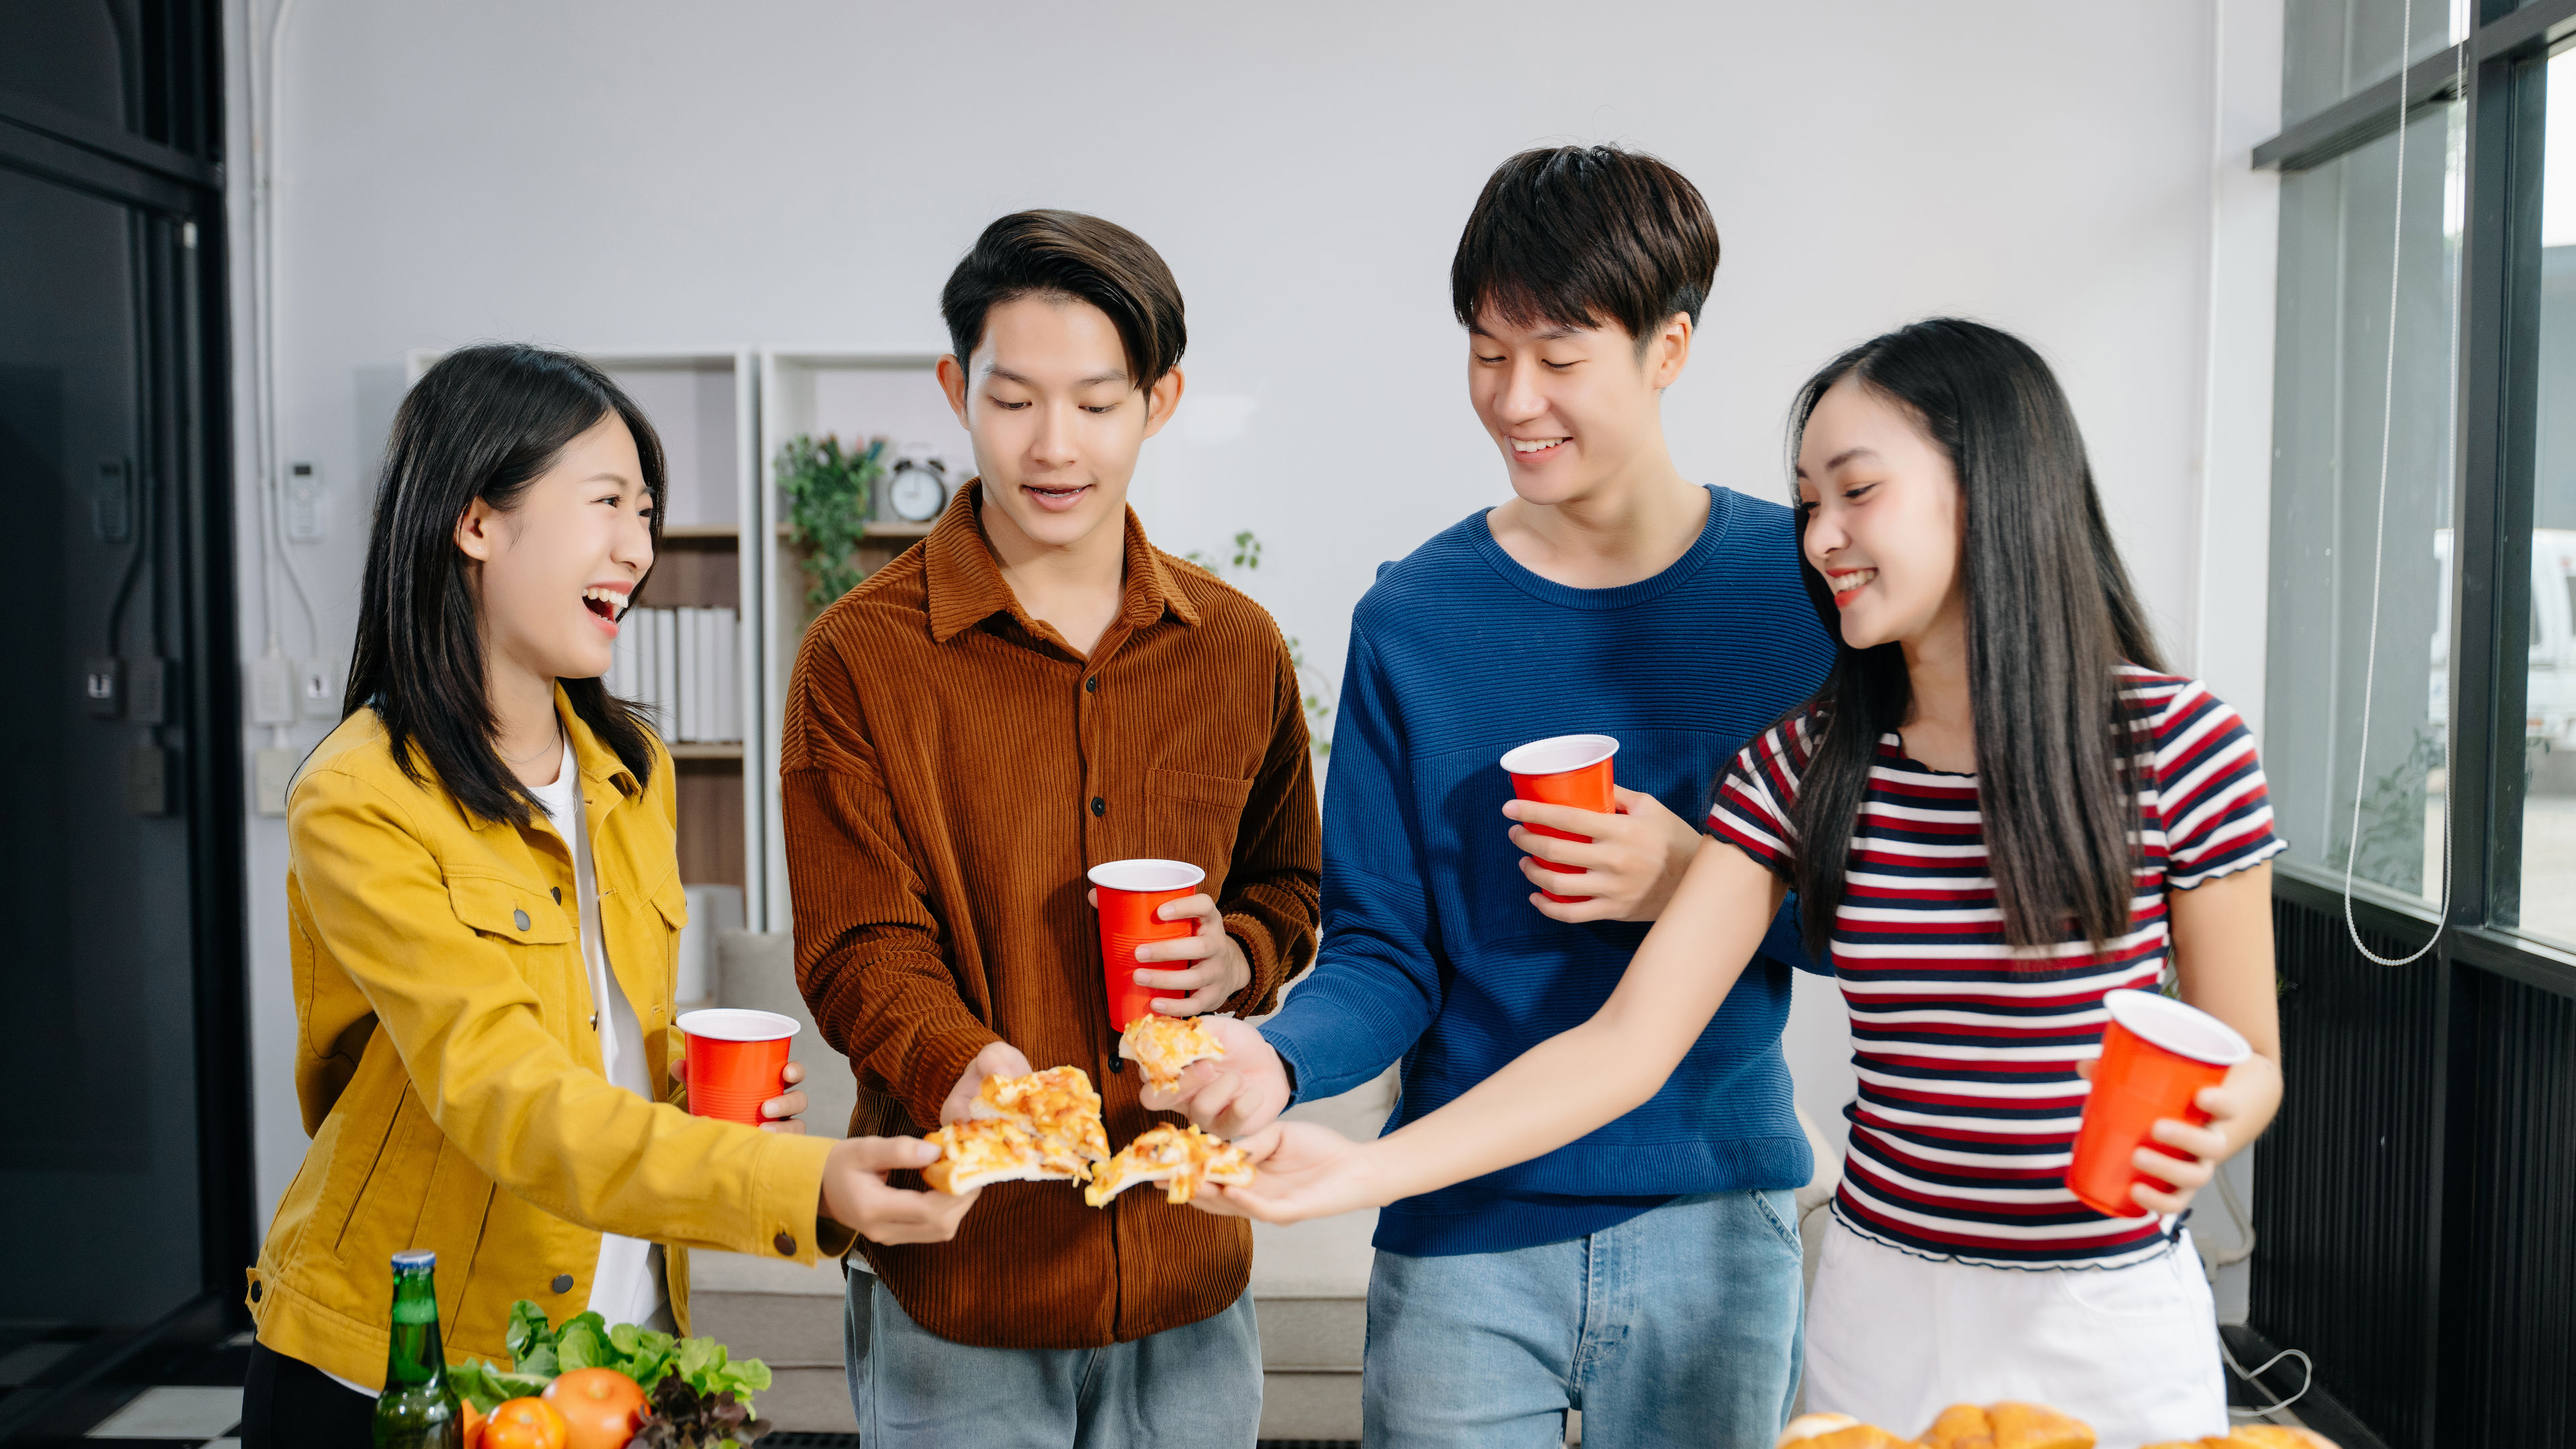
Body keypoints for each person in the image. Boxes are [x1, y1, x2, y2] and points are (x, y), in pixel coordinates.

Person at [1185, 319, 2288, 1448]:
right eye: (1810, 502)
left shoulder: (2182, 747)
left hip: (2102, 1308)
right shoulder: (1804, 766)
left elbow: (2247, 1051)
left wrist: (2210, 1118)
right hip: (1884, 1302)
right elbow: (1623, 1046)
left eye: (1858, 493)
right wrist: (1359, 1172)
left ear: (1995, 487)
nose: (1821, 538)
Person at [1150, 146, 1836, 1448]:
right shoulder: (1415, 616)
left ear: (1670, 346)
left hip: (1715, 1213)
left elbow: (1874, 922)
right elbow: (1383, 953)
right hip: (1460, 1224)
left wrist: (1693, 878)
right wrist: (1275, 1055)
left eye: (1560, 356)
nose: (1515, 398)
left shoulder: (1795, 595)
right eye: (1485, 351)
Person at [241, 345, 975, 1448]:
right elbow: (506, 1093)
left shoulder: (632, 769)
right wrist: (803, 1178)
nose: (639, 548)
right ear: (476, 520)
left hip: (618, 1345)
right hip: (412, 1363)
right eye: (607, 505)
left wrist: (690, 1094)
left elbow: (600, 1039)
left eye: (646, 510)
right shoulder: (358, 798)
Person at [780, 210, 1322, 1448]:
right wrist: (960, 1063)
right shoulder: (857, 659)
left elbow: (1291, 881)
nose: (1055, 446)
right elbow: (858, 942)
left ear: (1161, 399)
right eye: (1014, 400)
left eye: (1096, 402)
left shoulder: (1236, 649)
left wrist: (1242, 953)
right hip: (962, 1282)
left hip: (1186, 1270)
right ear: (955, 390)